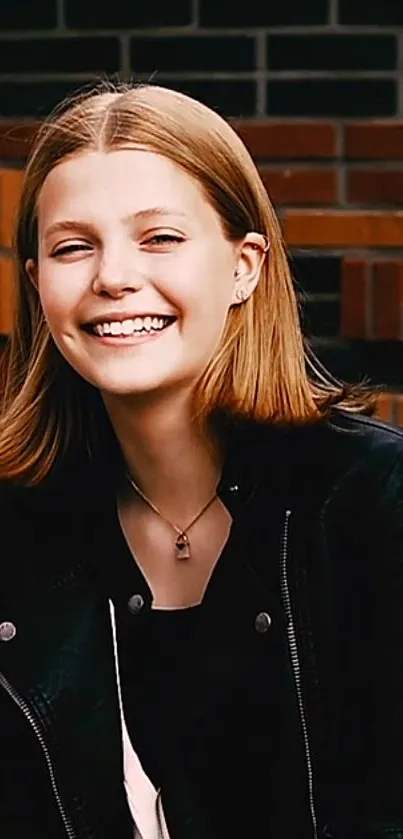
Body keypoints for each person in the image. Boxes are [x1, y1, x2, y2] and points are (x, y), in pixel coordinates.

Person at [0, 81, 402, 839]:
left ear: (245, 266)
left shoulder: (375, 502)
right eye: (72, 246)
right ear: (37, 286)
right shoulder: (18, 527)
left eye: (159, 238)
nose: (112, 276)